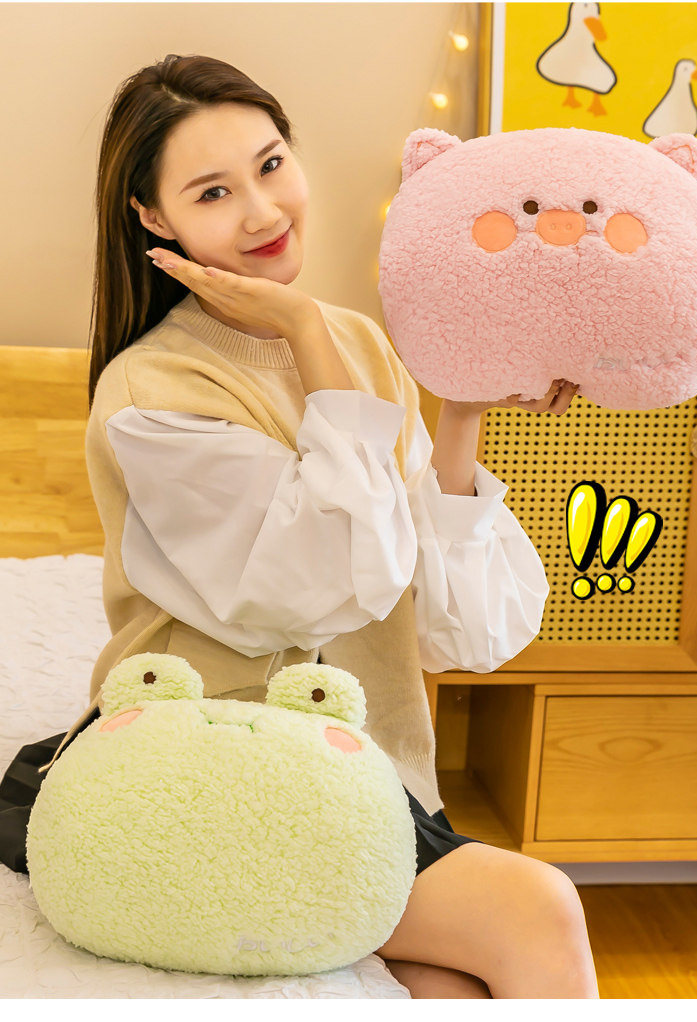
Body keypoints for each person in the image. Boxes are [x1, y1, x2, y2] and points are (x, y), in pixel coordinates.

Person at [5, 53, 598, 998]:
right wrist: (306, 334)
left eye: (271, 165)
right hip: (217, 752)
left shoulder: (361, 341)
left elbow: (451, 627)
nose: (261, 212)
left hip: (360, 759)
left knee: (455, 987)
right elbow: (328, 584)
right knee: (539, 908)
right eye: (213, 192)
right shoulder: (151, 393)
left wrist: (461, 412)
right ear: (153, 219)